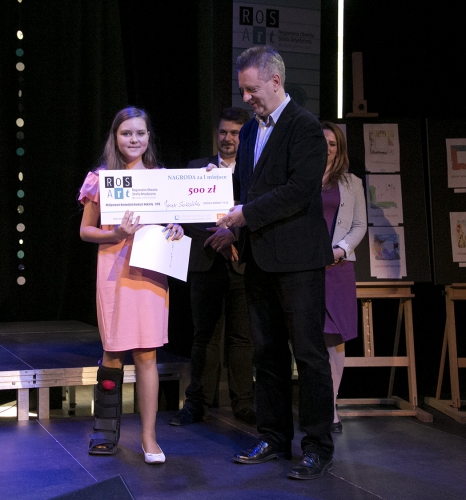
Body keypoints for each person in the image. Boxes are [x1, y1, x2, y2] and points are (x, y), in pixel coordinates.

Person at [217, 45, 335, 480]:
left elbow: (299, 191)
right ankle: (274, 436)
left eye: (252, 89)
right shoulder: (250, 131)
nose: (246, 98)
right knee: (266, 354)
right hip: (260, 259)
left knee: (308, 354)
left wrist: (245, 215)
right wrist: (226, 213)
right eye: (243, 90)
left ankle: (317, 446)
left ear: (275, 81)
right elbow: (246, 189)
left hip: (298, 262)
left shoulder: (305, 127)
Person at [79, 106, 183, 465]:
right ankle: (105, 430)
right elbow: (85, 230)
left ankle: (149, 437)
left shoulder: (161, 178)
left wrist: (175, 228)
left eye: (140, 133)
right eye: (126, 133)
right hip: (114, 273)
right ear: (115, 137)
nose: (133, 139)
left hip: (150, 273)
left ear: (148, 137)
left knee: (147, 354)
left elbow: (173, 222)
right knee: (113, 351)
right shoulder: (101, 178)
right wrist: (116, 234)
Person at [170, 107, 256, 426]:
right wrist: (215, 237)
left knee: (242, 338)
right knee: (204, 337)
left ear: (244, 136)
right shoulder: (196, 169)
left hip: (240, 263)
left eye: (235, 133)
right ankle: (197, 405)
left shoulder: (253, 170)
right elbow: (181, 213)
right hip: (205, 261)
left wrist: (234, 236)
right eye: (223, 132)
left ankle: (243, 404)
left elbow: (259, 213)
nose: (227, 138)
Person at [320, 121, 367, 433]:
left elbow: (360, 225)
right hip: (307, 268)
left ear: (340, 149)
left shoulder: (351, 183)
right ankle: (315, 403)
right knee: (310, 337)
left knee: (334, 338)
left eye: (332, 143)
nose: (327, 148)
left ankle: (331, 408)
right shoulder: (302, 178)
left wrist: (340, 250)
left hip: (338, 268)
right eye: (322, 142)